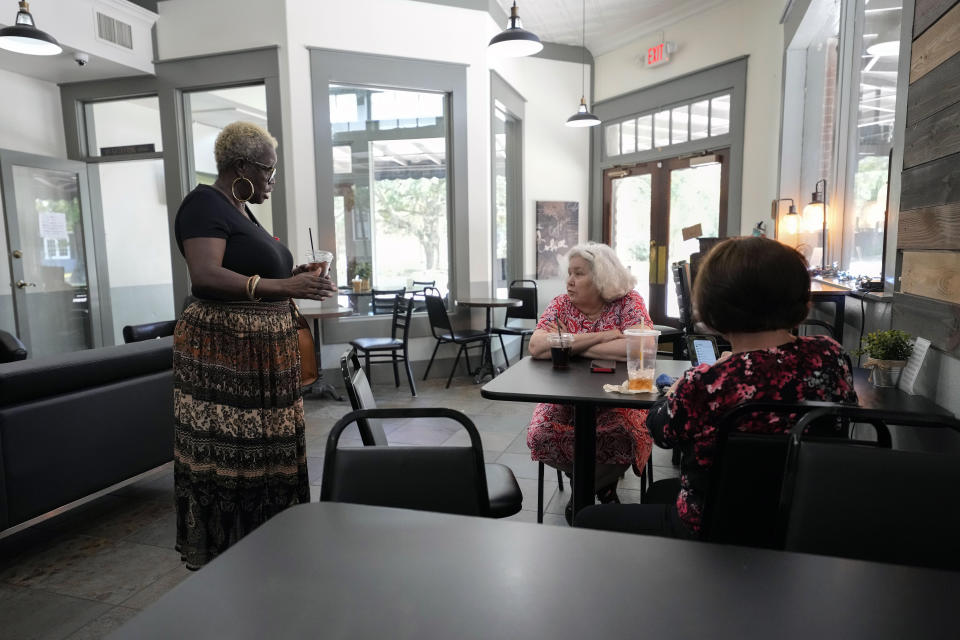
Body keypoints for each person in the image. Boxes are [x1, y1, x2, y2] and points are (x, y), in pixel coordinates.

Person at [576, 236, 858, 537]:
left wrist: (679, 388)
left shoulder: (707, 383)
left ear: (714, 305)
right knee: (660, 491)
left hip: (714, 525)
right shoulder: (831, 355)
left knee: (588, 518)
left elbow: (661, 431)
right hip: (805, 520)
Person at [172, 121, 336, 569]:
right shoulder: (203, 203)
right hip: (226, 354)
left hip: (259, 354)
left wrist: (294, 276)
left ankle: (271, 541)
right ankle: (233, 552)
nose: (272, 181)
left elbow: (254, 270)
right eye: (269, 171)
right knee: (238, 450)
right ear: (241, 166)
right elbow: (205, 275)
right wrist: (285, 284)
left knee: (268, 449)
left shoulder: (239, 209)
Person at [527, 242, 654, 524]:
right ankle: (602, 488)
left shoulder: (628, 301)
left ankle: (583, 489)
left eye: (579, 274)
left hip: (619, 398)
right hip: (565, 398)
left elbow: (640, 347)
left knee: (624, 436)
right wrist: (602, 336)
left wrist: (567, 345)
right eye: (569, 273)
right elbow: (536, 346)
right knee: (541, 433)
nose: (569, 281)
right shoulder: (561, 304)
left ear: (601, 278)